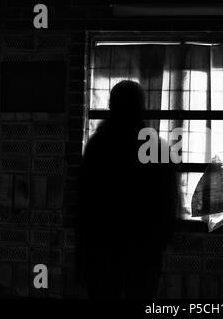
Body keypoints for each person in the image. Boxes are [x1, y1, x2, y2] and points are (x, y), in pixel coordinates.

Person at [77, 80, 178, 298]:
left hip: (102, 248)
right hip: (143, 250)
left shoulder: (97, 147)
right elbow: (168, 205)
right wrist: (158, 243)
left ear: (111, 106)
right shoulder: (157, 148)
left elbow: (83, 202)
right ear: (141, 107)